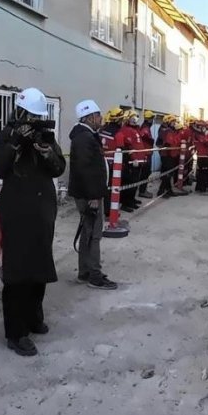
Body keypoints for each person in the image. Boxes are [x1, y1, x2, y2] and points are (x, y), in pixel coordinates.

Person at [0, 87, 66, 357]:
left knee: (39, 267)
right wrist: (15, 144)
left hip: (43, 211)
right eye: (30, 116)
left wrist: (46, 152)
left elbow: (59, 168)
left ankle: (34, 317)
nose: (32, 122)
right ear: (20, 113)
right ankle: (16, 332)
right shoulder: (6, 136)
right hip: (17, 212)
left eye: (37, 117)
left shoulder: (46, 136)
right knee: (18, 273)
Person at [68, 99, 118, 290]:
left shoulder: (87, 135)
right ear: (89, 118)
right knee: (94, 234)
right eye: (98, 116)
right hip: (89, 195)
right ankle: (94, 276)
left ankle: (85, 272)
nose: (101, 119)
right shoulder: (84, 138)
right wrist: (93, 198)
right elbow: (85, 170)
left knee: (88, 233)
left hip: (90, 193)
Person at [156, 115, 183, 197]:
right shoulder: (167, 131)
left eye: (174, 121)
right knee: (167, 174)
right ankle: (161, 191)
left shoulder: (170, 131)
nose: (174, 123)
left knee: (168, 174)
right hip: (167, 155)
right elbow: (168, 143)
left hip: (170, 155)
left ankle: (168, 190)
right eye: (172, 122)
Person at [137, 110, 156, 198]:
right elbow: (144, 137)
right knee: (145, 173)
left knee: (146, 172)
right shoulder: (145, 128)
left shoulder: (145, 127)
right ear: (149, 119)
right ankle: (142, 191)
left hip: (147, 153)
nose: (152, 121)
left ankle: (142, 189)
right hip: (145, 154)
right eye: (152, 119)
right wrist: (151, 140)